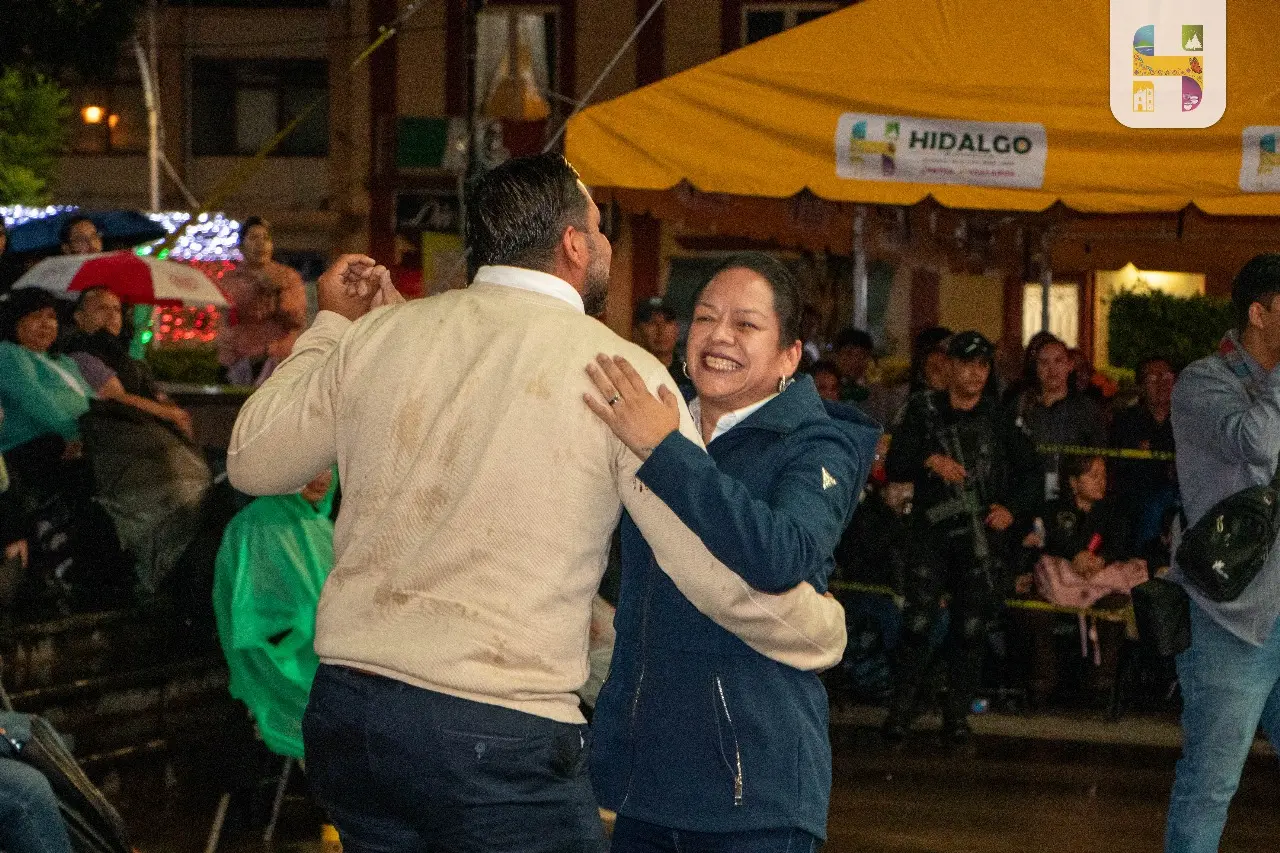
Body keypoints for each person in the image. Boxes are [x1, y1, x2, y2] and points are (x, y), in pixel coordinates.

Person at [225, 153, 846, 853]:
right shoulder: (619, 373)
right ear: (574, 244)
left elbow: (253, 460)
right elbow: (710, 573)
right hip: (498, 735)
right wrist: (819, 631)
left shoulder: (378, 337)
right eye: (602, 227)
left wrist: (332, 327)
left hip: (354, 719)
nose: (606, 243)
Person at [583, 254, 878, 852]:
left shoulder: (819, 444)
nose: (719, 336)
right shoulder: (658, 419)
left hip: (753, 787)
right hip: (642, 779)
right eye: (705, 317)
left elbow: (783, 553)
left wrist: (666, 451)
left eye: (746, 325)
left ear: (789, 356)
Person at [1165, 253, 1280, 853]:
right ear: (1259, 314)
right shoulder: (1204, 382)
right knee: (1211, 786)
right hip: (1228, 620)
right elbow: (1258, 443)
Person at [881, 331, 1040, 745]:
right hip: (931, 535)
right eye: (968, 364)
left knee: (970, 627)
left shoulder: (999, 418)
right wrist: (929, 459)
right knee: (917, 622)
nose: (975, 374)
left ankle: (956, 716)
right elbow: (895, 461)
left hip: (977, 538)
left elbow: (1030, 474)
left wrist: (1012, 510)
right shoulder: (923, 411)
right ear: (949, 366)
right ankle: (900, 711)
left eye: (983, 366)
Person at [213, 469, 336, 759]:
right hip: (285, 667)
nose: (323, 476)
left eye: (330, 465)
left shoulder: (318, 523)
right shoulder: (260, 524)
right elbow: (262, 625)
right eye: (310, 465)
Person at [63, 286, 193, 439]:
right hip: (114, 438)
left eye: (117, 309)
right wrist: (166, 412)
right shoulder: (81, 354)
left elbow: (155, 393)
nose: (112, 315)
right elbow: (116, 396)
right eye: (102, 308)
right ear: (80, 317)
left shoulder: (122, 354)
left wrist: (171, 409)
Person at [1012, 334, 1108, 502]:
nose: (1052, 369)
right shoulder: (1021, 406)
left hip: (1072, 498)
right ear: (1036, 367)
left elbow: (1098, 457)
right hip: (1027, 497)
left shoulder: (1087, 409)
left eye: (1058, 361)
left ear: (1070, 365)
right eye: (1044, 363)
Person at [216, 216, 308, 387]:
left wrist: (276, 291)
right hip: (238, 362)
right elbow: (228, 320)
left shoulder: (288, 277)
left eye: (265, 238)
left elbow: (297, 319)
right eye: (253, 238)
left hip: (278, 360)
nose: (260, 244)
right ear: (241, 246)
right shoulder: (230, 280)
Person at [1110, 355, 1178, 548]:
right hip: (1138, 501)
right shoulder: (1126, 422)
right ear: (1140, 387)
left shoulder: (1187, 421)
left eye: (1166, 378)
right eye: (1152, 379)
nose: (1161, 385)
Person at [832, 326, 874, 404]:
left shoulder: (874, 393)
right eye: (849, 353)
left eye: (862, 355)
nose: (855, 360)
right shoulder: (823, 388)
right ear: (836, 356)